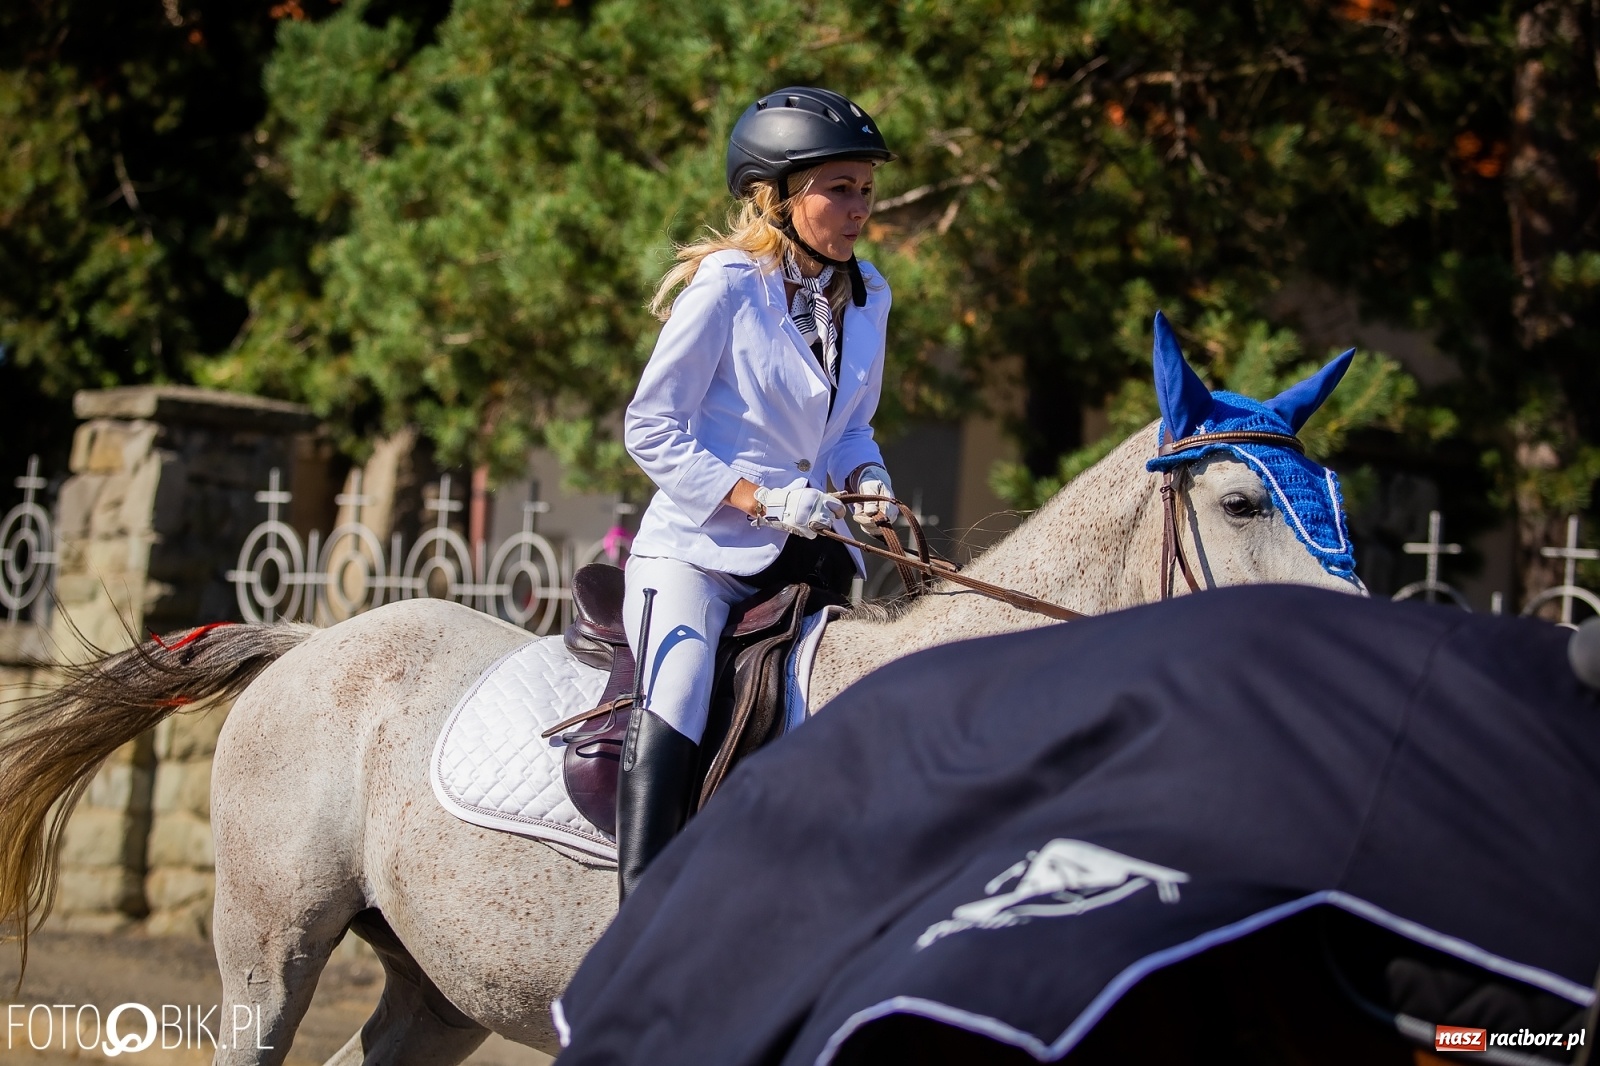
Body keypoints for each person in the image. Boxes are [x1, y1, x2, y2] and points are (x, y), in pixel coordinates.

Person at [617, 86, 901, 899]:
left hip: (812, 560)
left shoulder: (869, 296)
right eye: (837, 189)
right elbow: (651, 429)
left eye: (865, 190)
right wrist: (760, 498)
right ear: (774, 195)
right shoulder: (727, 287)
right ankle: (639, 908)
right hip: (700, 556)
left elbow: (848, 426)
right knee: (676, 686)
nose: (857, 209)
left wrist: (867, 480)